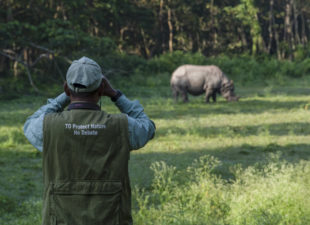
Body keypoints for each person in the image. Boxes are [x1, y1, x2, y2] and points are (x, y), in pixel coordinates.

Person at [23, 56, 156, 225]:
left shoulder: (48, 125)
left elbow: (29, 124)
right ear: (101, 89)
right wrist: (115, 95)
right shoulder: (121, 125)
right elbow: (148, 127)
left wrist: (64, 96)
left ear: (66, 87)